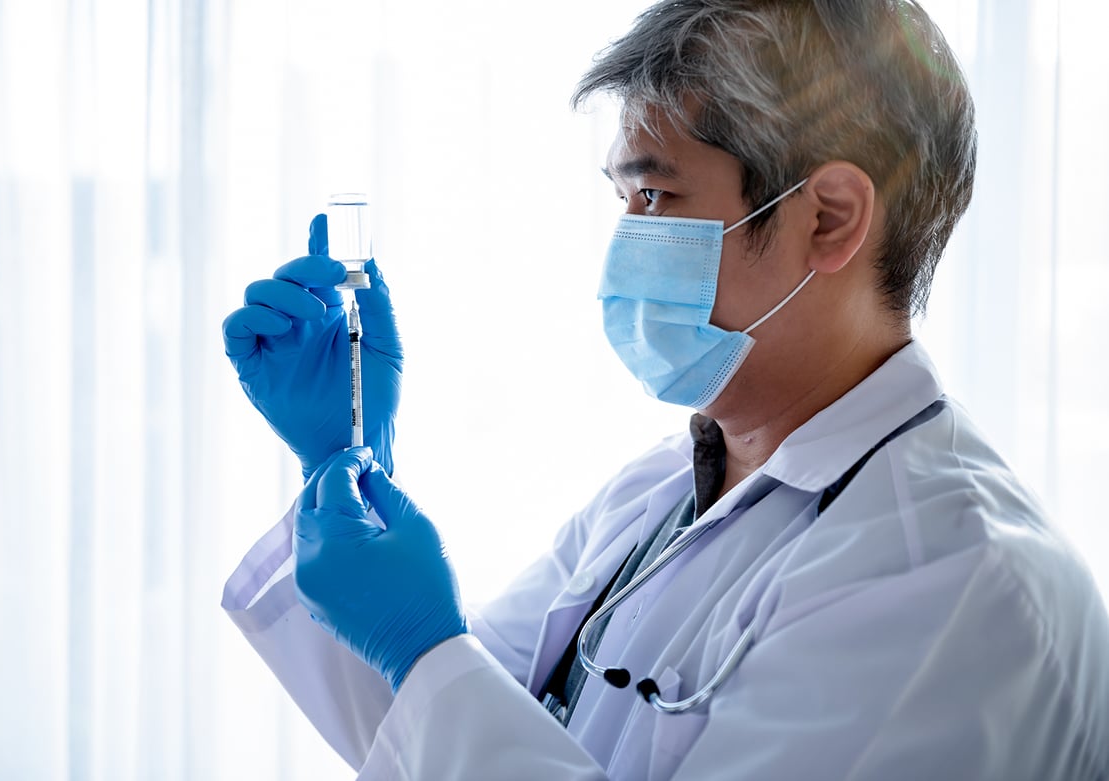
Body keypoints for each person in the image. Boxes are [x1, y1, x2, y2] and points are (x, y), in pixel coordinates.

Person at [220, 0, 1109, 778]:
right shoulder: (658, 493)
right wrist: (348, 464)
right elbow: (431, 726)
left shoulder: (956, 580)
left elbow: (441, 690)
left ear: (829, 218)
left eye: (656, 197)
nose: (623, 246)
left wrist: (423, 644)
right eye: (622, 199)